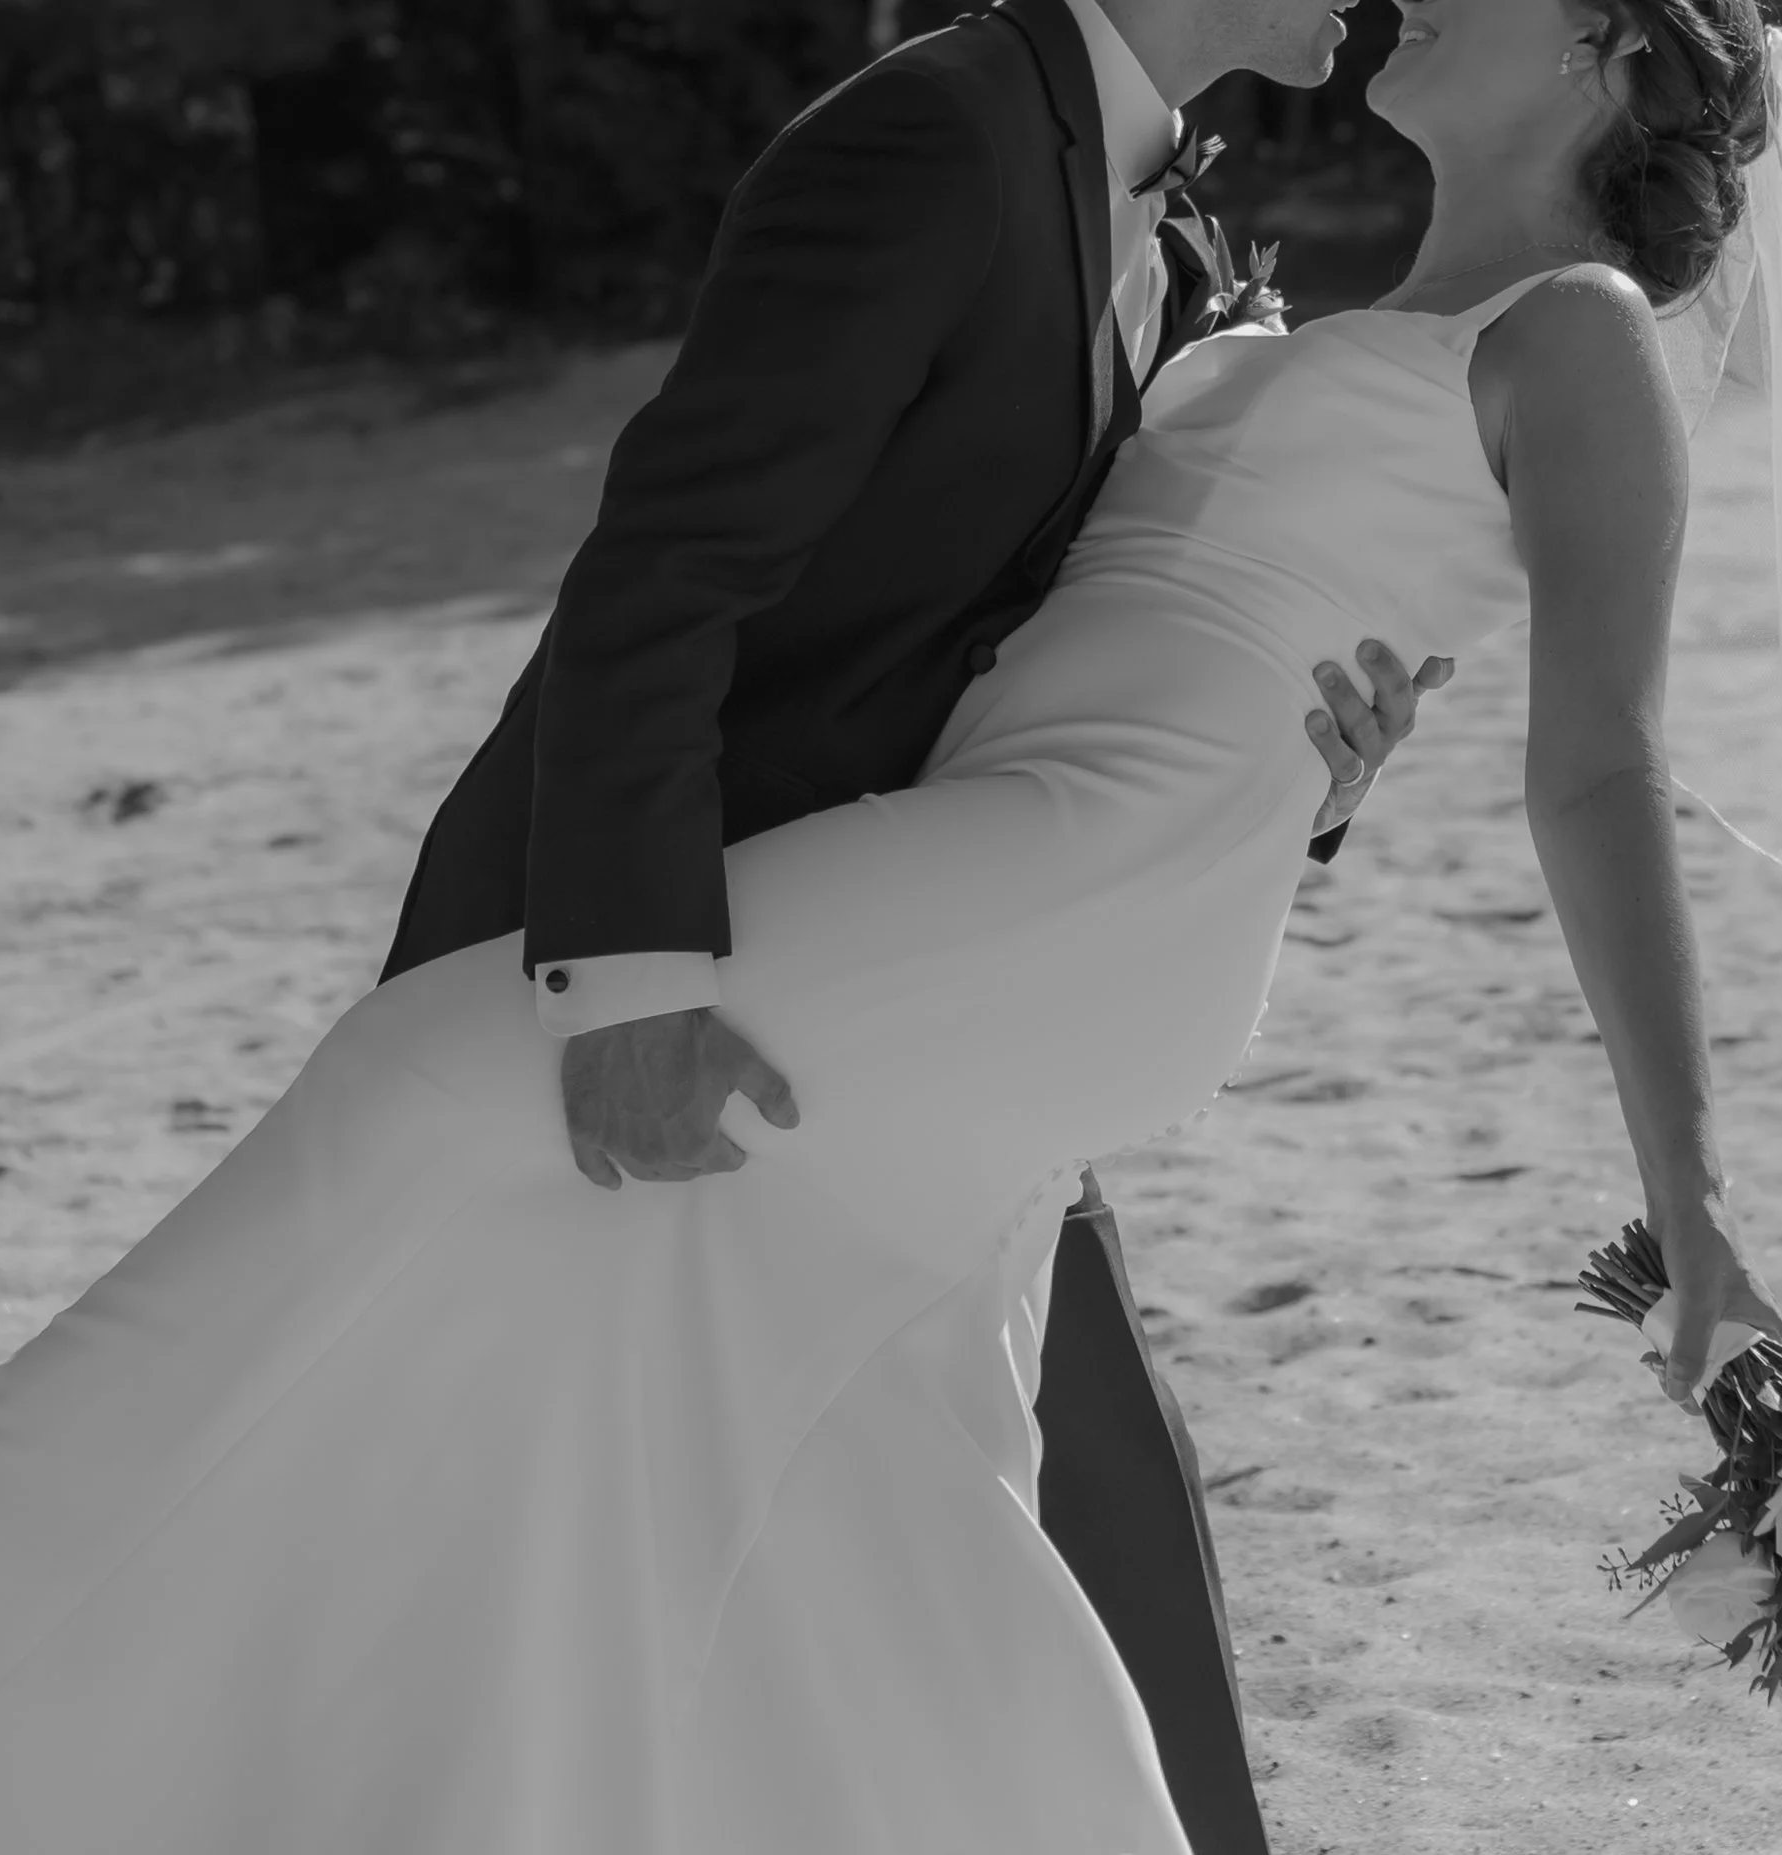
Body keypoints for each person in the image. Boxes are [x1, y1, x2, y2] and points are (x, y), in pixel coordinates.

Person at [0, 2, 1782, 1851]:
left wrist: (1690, 1211)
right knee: (881, 1470)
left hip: (1085, 889)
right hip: (1049, 857)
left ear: (1595, 50)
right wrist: (1312, 760)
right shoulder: (1288, 279)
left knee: (431, 1087)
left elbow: (1592, 765)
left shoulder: (1577, 338)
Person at [375, 2, 1445, 1845]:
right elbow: (664, 561)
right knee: (409, 1512)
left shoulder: (1141, 184)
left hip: (926, 953)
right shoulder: (932, 138)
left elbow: (1079, 618)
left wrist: (1311, 768)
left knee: (1093, 1458)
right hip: (678, 970)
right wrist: (630, 985)